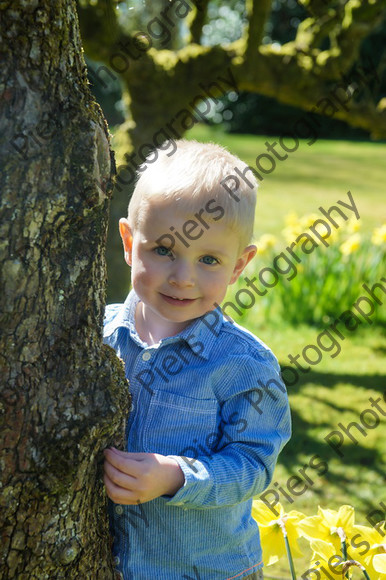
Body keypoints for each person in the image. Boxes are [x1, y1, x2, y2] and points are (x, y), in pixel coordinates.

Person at [103, 139, 291, 580]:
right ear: (130, 242)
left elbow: (254, 465)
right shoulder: (97, 334)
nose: (182, 277)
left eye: (208, 259)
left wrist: (176, 475)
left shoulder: (244, 365)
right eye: (163, 250)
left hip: (206, 570)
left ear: (239, 266)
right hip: (115, 565)